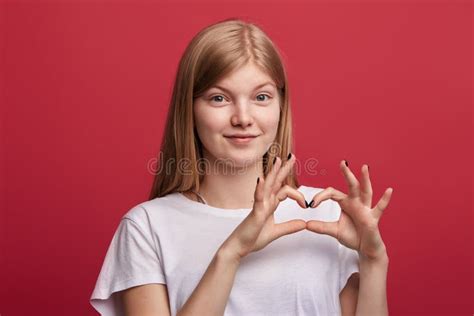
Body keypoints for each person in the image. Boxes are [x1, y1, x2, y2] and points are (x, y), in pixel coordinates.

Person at [89, 18, 393, 316]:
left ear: (280, 106)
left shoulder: (325, 216)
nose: (243, 118)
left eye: (261, 97)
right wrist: (231, 253)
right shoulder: (146, 229)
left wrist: (374, 260)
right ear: (189, 109)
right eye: (219, 98)